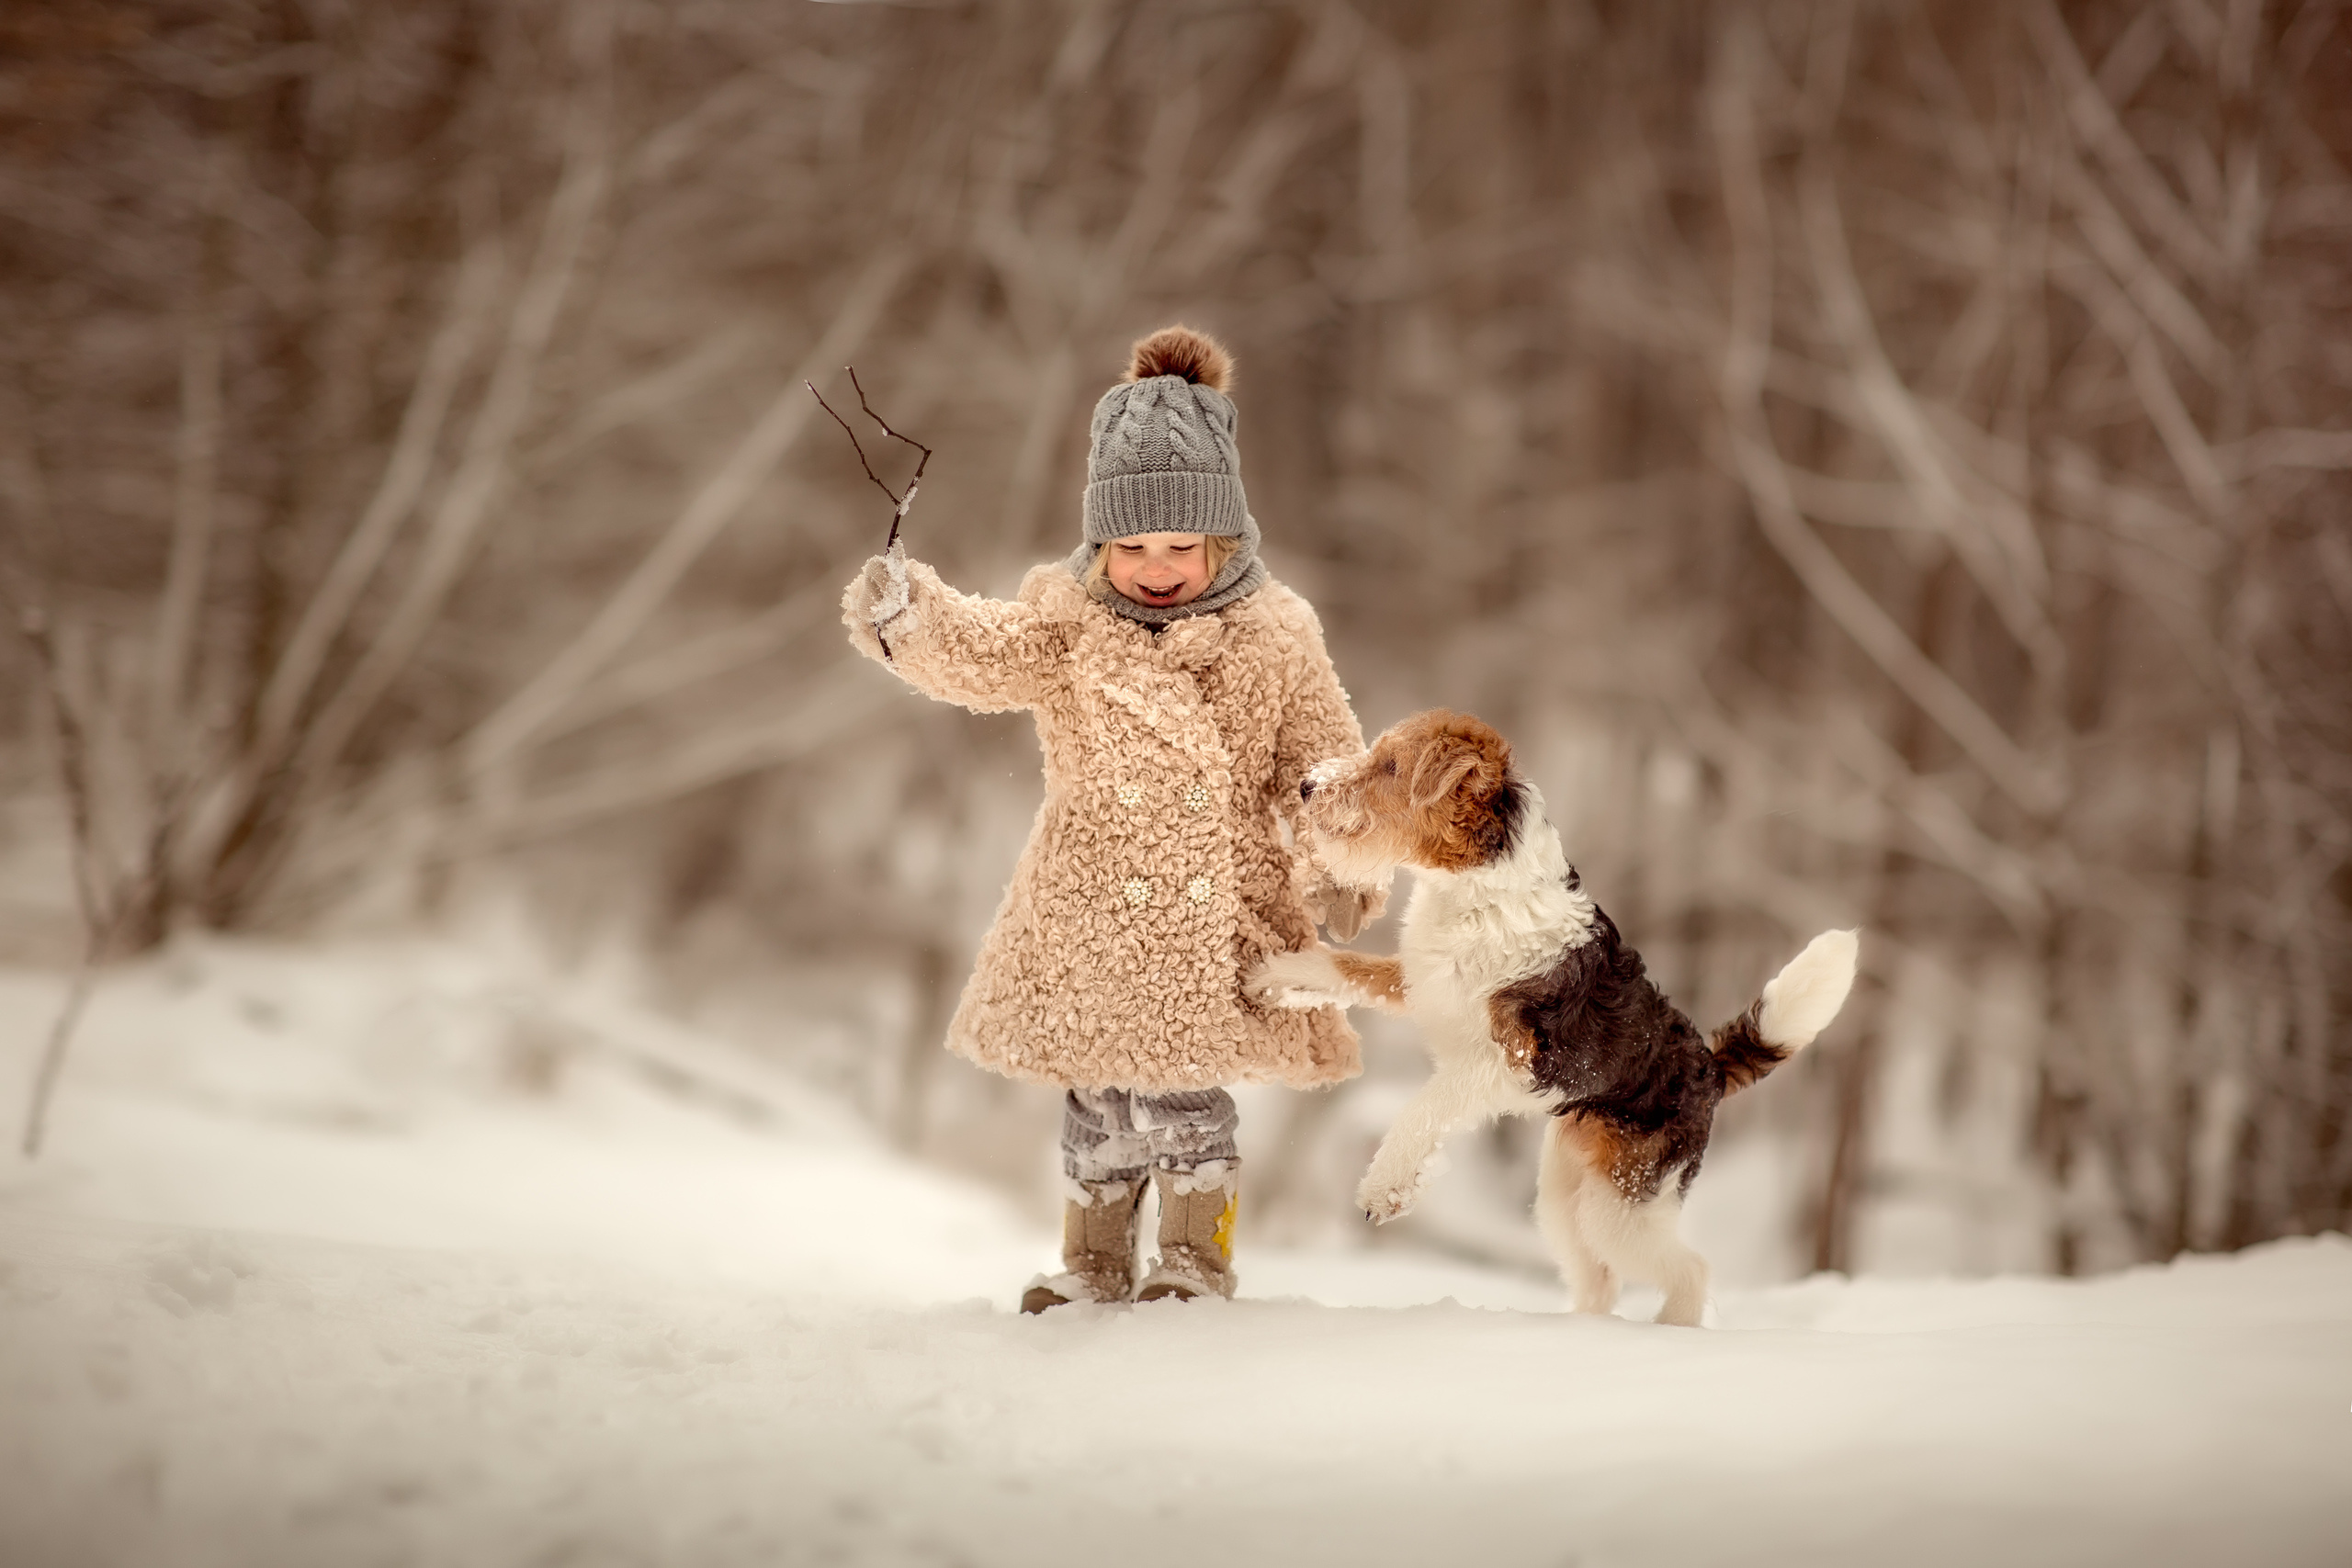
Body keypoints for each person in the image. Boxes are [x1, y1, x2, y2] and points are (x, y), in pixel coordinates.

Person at [841, 325, 1380, 1311]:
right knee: (1097, 1095)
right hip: (1090, 904)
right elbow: (982, 651)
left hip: (1207, 907)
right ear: (1099, 541)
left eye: (1181, 545)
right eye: (1131, 545)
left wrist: (1341, 855)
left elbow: (1321, 762)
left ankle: (1194, 1259)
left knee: (1181, 1095)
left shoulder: (1275, 634)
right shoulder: (1069, 620)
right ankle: (1092, 1263)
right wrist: (909, 620)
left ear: (1228, 536)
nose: (1157, 567)